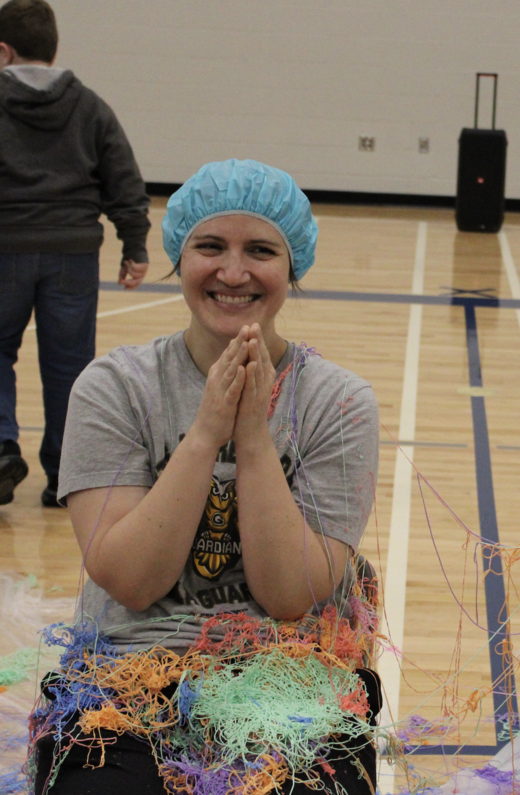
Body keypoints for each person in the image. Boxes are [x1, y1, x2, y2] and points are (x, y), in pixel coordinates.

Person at [30, 159, 381, 794]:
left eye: (261, 251)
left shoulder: (340, 404)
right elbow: (132, 582)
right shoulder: (115, 389)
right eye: (211, 247)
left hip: (291, 674)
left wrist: (252, 439)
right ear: (180, 256)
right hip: (128, 673)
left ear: (292, 266)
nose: (234, 272)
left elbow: (288, 596)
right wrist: (204, 435)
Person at [0, 0, 150, 508]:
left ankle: (1, 448)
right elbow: (123, 178)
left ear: (2, 50)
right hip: (73, 254)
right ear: (53, 48)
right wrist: (134, 243)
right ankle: (65, 474)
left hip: (4, 249)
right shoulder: (88, 105)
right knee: (69, 366)